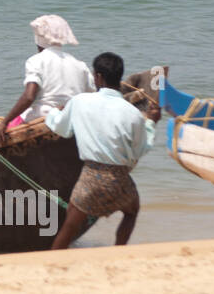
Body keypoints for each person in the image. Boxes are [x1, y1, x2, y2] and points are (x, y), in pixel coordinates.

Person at [44, 52, 162, 250]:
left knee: (69, 227)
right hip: (120, 179)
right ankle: (118, 251)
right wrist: (151, 123)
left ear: (98, 76)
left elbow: (61, 129)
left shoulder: (80, 101)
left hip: (91, 177)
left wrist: (55, 111)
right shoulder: (133, 113)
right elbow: (140, 150)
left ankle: (53, 261)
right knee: (131, 211)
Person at [0, 15, 94, 146]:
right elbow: (91, 96)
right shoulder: (80, 64)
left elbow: (29, 96)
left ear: (38, 40)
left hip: (43, 118)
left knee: (11, 124)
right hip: (71, 118)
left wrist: (3, 123)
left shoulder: (36, 61)